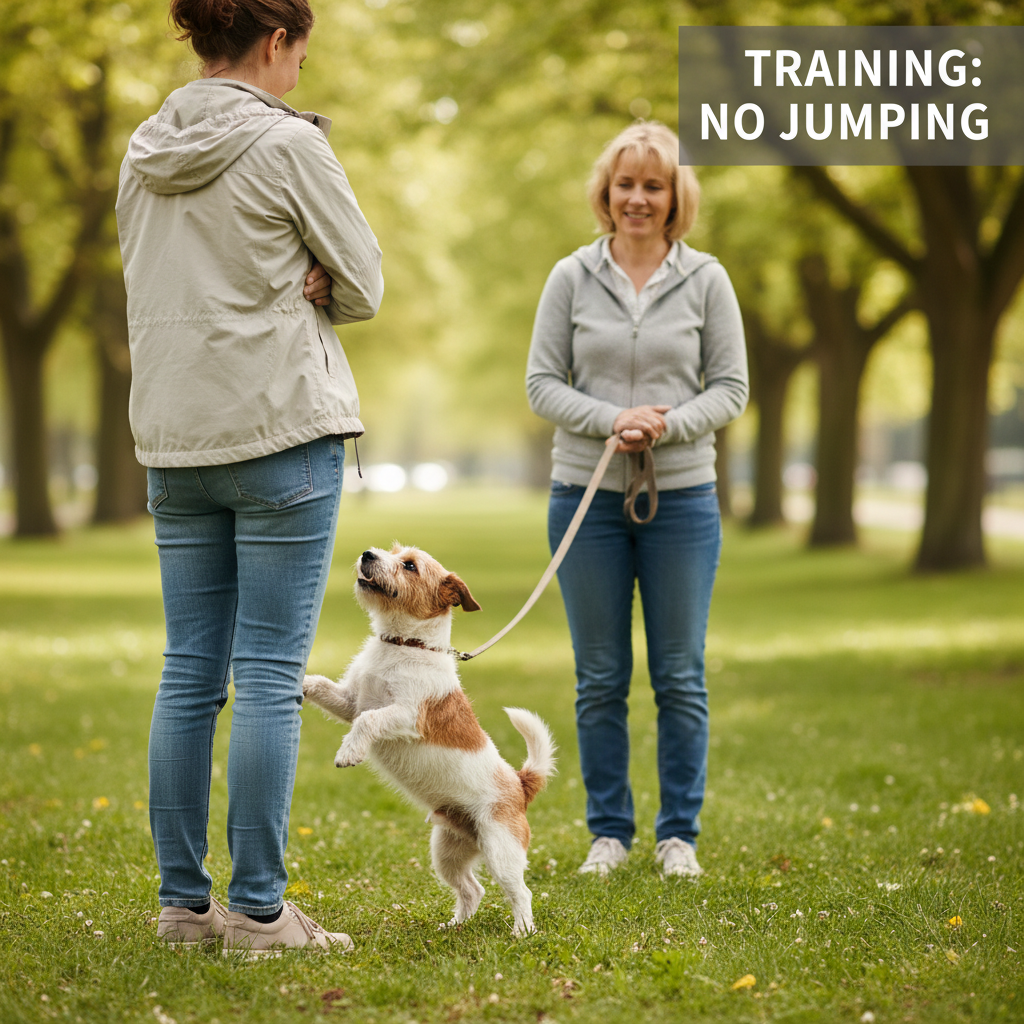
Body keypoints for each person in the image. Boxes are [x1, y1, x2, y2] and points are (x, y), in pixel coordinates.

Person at [116, 0, 383, 952]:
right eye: (300, 56)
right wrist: (313, 272)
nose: (299, 75)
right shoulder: (290, 148)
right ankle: (263, 916)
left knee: (189, 673)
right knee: (269, 675)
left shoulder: (141, 152)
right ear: (276, 41)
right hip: (277, 433)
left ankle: (183, 909)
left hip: (175, 440)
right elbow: (365, 282)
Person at [525, 122, 747, 877]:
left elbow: (731, 387)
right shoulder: (570, 276)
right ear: (606, 191)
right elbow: (541, 384)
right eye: (627, 184)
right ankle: (609, 834)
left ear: (676, 194)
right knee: (599, 679)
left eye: (654, 185)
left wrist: (667, 423)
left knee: (680, 674)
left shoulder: (707, 278)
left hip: (681, 501)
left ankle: (678, 833)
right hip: (583, 500)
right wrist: (611, 419)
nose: (638, 199)